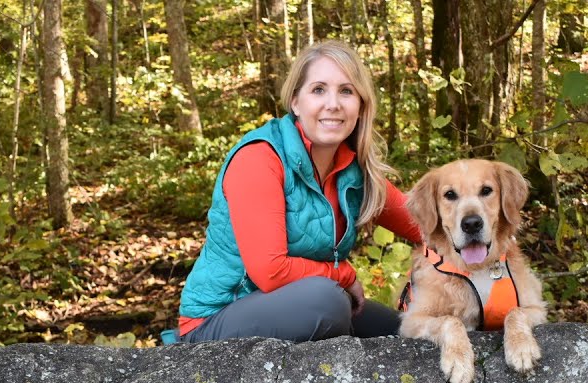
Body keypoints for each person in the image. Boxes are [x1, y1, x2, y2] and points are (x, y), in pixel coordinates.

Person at [177, 40, 422, 343]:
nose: (333, 103)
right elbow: (270, 271)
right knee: (328, 303)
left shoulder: (355, 170)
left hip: (308, 302)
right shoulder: (260, 158)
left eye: (346, 91)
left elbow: (428, 224)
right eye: (318, 89)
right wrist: (344, 275)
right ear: (295, 102)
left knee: (409, 331)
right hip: (219, 317)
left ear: (360, 106)